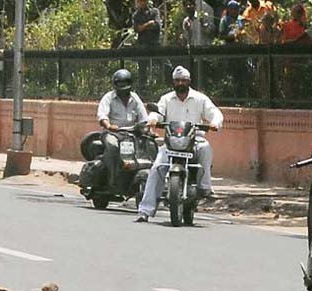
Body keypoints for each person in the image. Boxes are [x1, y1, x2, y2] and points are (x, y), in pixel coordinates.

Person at [135, 66, 224, 223]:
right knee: (156, 168)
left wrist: (215, 123)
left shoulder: (200, 99)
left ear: (189, 81)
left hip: (194, 140)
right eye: (177, 80)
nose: (180, 83)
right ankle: (145, 211)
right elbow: (158, 112)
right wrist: (153, 119)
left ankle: (205, 187)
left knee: (206, 149)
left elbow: (215, 113)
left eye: (183, 80)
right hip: (171, 143)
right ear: (173, 82)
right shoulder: (166, 99)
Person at [96, 69, 149, 189]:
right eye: (119, 83)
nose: (122, 86)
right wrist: (109, 125)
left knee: (148, 146)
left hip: (132, 134)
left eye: (125, 83)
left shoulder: (135, 98)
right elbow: (102, 116)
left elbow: (143, 118)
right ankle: (113, 177)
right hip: (113, 133)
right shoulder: (108, 97)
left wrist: (146, 129)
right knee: (113, 146)